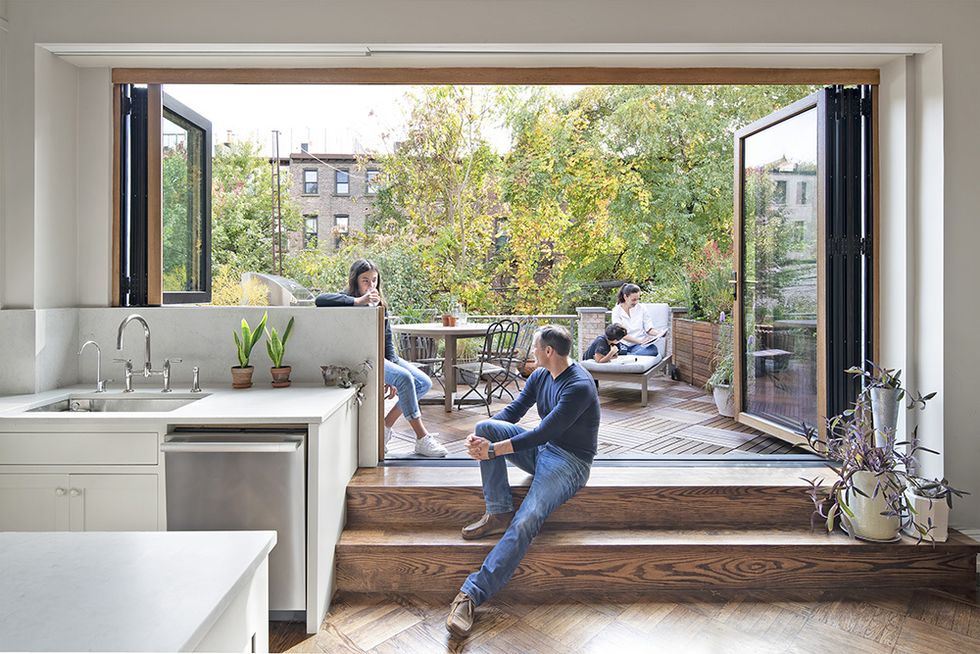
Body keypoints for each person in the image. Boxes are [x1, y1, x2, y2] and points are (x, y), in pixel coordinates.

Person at [445, 325, 600, 637]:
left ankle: (471, 595)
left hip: (569, 462)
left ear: (548, 352)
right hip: (542, 450)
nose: (530, 350)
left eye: (535, 345)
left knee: (527, 519)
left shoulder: (580, 385)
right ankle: (498, 511)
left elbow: (545, 432)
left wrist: (493, 450)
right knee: (485, 425)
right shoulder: (542, 375)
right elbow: (514, 412)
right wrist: (480, 438)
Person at [315, 259, 448, 457]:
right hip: (359, 358)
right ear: (355, 281)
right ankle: (422, 437)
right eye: (365, 281)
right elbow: (320, 300)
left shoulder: (379, 305)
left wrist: (392, 372)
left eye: (374, 281)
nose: (371, 286)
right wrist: (358, 302)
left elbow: (387, 343)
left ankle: (384, 428)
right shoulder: (346, 300)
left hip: (380, 357)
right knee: (404, 378)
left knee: (423, 382)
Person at [611, 282, 664, 357]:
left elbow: (649, 329)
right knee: (614, 349)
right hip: (624, 344)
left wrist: (659, 333)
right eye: (633, 300)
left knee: (653, 350)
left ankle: (629, 356)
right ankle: (630, 355)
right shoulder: (616, 310)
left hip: (639, 346)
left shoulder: (642, 308)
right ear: (625, 297)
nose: (636, 302)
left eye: (638, 299)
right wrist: (639, 341)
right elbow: (621, 334)